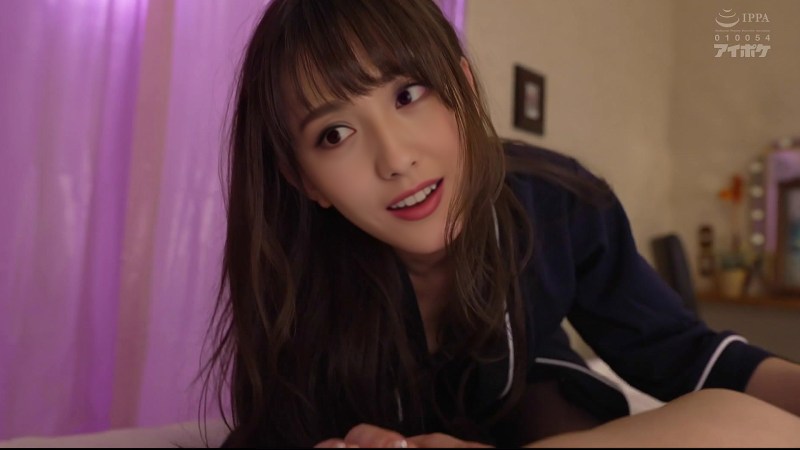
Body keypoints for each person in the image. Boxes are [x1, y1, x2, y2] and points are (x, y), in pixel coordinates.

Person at [201, 0, 800, 447]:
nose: (396, 159)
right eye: (335, 134)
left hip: (541, 405)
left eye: (408, 95)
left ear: (463, 88)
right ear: (303, 179)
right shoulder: (293, 268)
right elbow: (278, 427)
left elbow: (686, 356)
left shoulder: (557, 202)